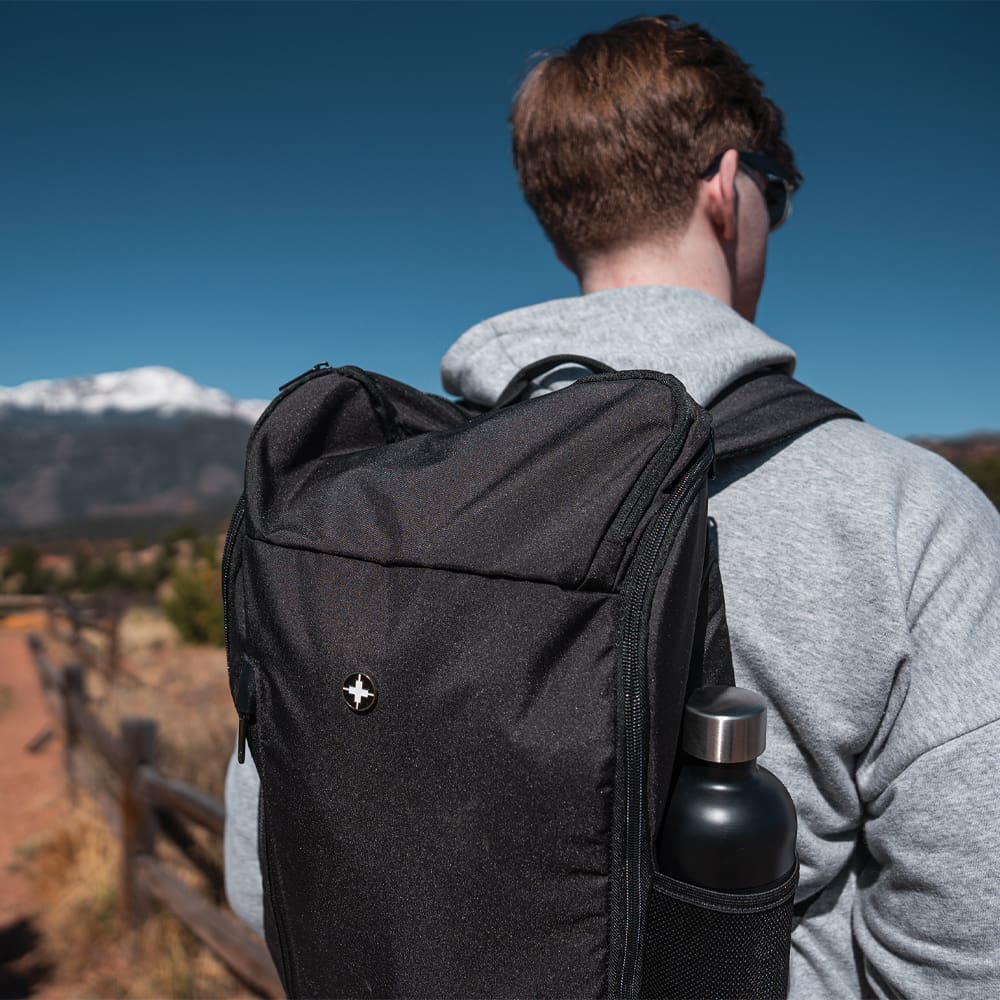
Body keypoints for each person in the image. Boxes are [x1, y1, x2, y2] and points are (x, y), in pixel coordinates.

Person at [225, 14, 1000, 996]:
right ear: (727, 188)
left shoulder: (371, 504)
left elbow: (265, 878)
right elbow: (971, 951)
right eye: (777, 194)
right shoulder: (901, 514)